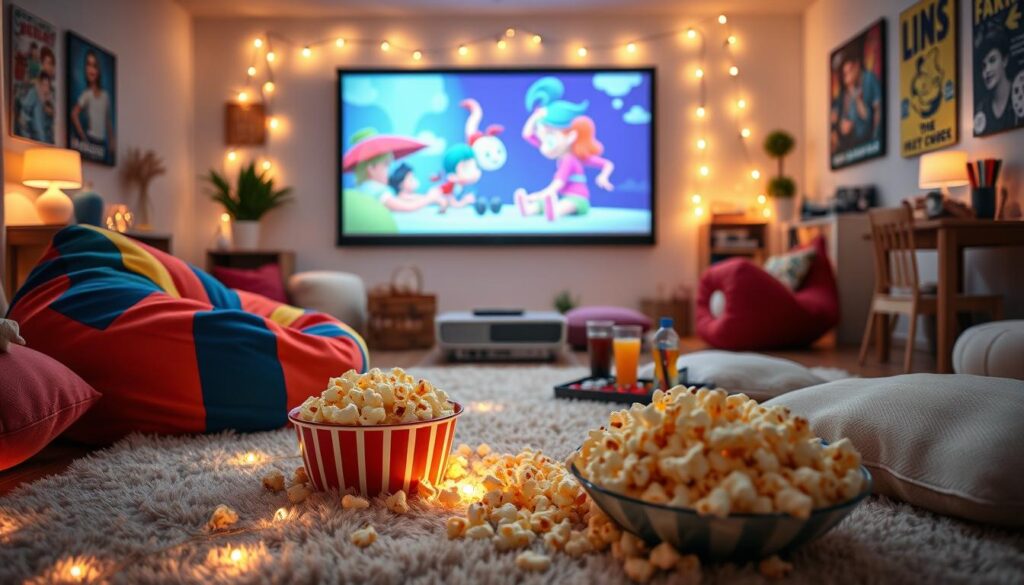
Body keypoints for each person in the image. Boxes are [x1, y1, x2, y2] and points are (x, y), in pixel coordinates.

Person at [516, 76, 614, 222]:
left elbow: (558, 184)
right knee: (544, 204)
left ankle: (554, 211)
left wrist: (539, 194)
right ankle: (529, 210)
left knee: (565, 205)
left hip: (579, 200)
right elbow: (527, 135)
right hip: (562, 196)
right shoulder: (557, 151)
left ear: (571, 137)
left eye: (551, 134)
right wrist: (536, 117)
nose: (545, 141)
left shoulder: (570, 159)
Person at [973, 24, 1019, 135]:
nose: (987, 70)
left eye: (992, 60)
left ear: (1004, 60)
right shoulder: (981, 109)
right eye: (983, 66)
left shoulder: (1019, 95)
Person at [836, 45, 882, 147]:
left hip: (870, 142)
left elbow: (870, 115)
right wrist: (844, 126)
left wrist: (875, 137)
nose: (848, 76)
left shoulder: (869, 79)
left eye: (850, 71)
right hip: (854, 145)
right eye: (845, 73)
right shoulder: (847, 92)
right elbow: (844, 120)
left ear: (857, 66)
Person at [71, 49, 115, 154]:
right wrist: (83, 137)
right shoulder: (87, 94)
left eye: (94, 66)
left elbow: (107, 121)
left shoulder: (105, 96)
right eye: (88, 65)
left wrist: (112, 142)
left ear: (98, 70)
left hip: (102, 142)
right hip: (91, 139)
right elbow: (74, 114)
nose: (91, 69)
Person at [17, 71, 54, 143]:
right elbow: (22, 120)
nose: (46, 89)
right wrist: (27, 140)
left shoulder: (49, 99)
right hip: (34, 141)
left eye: (47, 86)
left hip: (47, 142)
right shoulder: (33, 94)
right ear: (39, 85)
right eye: (44, 85)